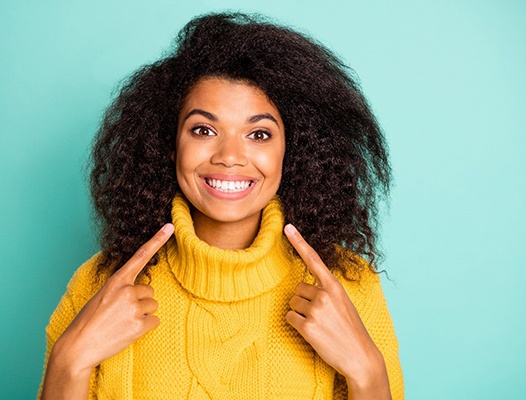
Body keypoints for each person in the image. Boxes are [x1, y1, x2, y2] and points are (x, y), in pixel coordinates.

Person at [40, 12, 403, 400]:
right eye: (203, 130)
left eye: (259, 134)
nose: (230, 156)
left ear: (294, 152)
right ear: (169, 142)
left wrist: (367, 372)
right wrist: (70, 359)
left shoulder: (350, 289)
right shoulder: (98, 286)